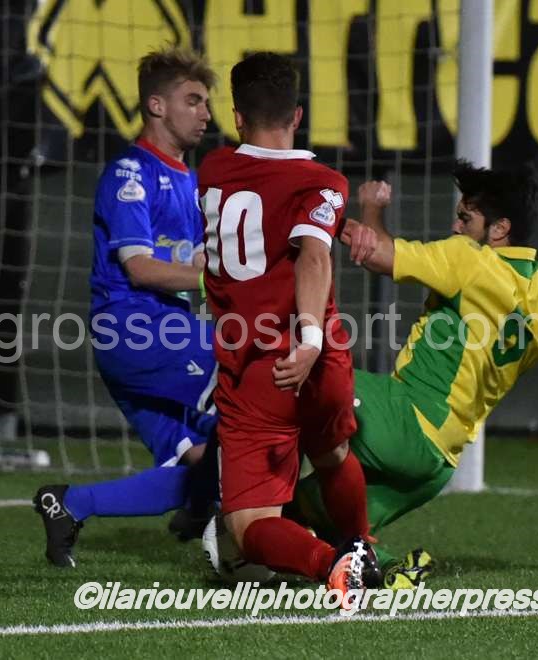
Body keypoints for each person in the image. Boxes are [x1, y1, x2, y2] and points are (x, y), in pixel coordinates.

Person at [290, 161, 538, 585]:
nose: (456, 227)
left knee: (299, 372)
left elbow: (375, 252)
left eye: (466, 218)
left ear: (499, 229)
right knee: (313, 513)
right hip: (438, 463)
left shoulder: (469, 260)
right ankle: (391, 567)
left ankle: (222, 485)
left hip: (404, 420)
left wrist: (370, 207)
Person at [197, 52, 381, 600]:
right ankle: (362, 549)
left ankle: (330, 564)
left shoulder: (213, 171)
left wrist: (301, 341)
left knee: (249, 527)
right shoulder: (323, 182)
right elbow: (311, 249)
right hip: (322, 360)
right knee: (333, 455)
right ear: (297, 115)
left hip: (258, 368)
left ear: (237, 117)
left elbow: (305, 252)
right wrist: (311, 339)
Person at [34, 47, 219, 568]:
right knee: (260, 408)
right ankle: (247, 527)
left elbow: (198, 260)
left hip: (164, 334)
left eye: (206, 103)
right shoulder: (130, 175)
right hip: (139, 329)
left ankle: (70, 504)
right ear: (156, 106)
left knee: (197, 464)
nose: (206, 113)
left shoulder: (191, 180)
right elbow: (140, 268)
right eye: (194, 100)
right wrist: (217, 280)